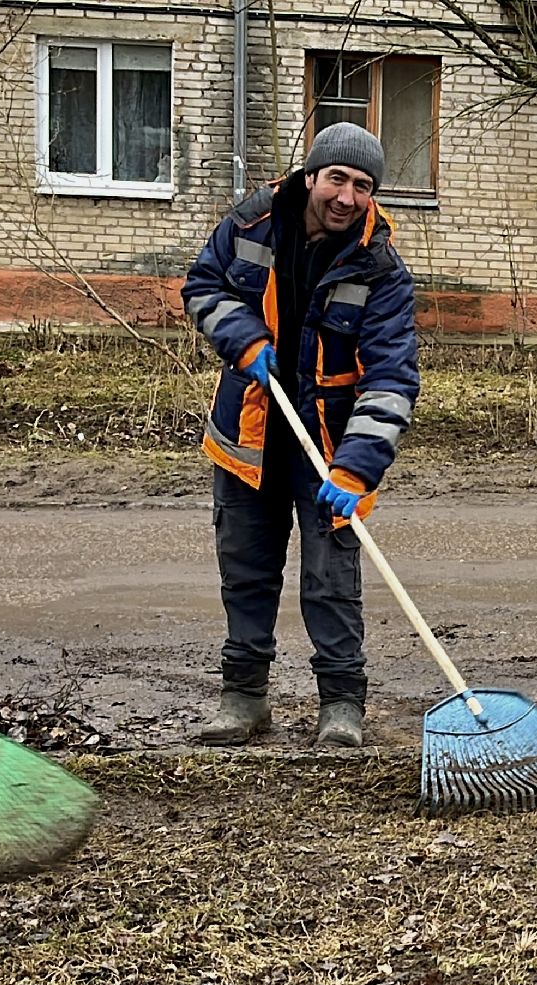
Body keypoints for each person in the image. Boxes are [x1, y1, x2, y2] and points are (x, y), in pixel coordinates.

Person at [182, 122, 420, 746]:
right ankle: (244, 699)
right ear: (310, 175)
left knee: (331, 582)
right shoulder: (252, 223)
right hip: (250, 434)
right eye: (337, 179)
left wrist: (356, 470)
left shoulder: (380, 268)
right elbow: (203, 286)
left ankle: (342, 705)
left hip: (330, 450)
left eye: (362, 186)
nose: (347, 197)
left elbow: (391, 379)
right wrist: (241, 338)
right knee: (247, 572)